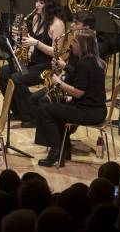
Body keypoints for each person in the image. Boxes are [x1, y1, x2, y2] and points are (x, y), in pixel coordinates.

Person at [35, 28, 107, 167]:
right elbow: (82, 81)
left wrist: (59, 83)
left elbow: (79, 92)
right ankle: (64, 149)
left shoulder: (84, 63)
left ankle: (56, 150)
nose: (72, 44)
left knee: (45, 110)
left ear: (82, 45)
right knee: (57, 105)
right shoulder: (95, 61)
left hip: (89, 112)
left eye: (74, 41)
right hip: (97, 109)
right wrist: (65, 67)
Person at [3, 0, 67, 125]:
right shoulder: (37, 18)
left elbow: (56, 52)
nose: (37, 4)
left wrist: (36, 43)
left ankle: (31, 116)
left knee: (17, 79)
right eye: (37, 1)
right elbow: (28, 41)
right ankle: (18, 111)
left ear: (50, 5)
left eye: (41, 2)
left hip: (48, 67)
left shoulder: (58, 24)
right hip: (34, 61)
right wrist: (18, 37)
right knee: (3, 73)